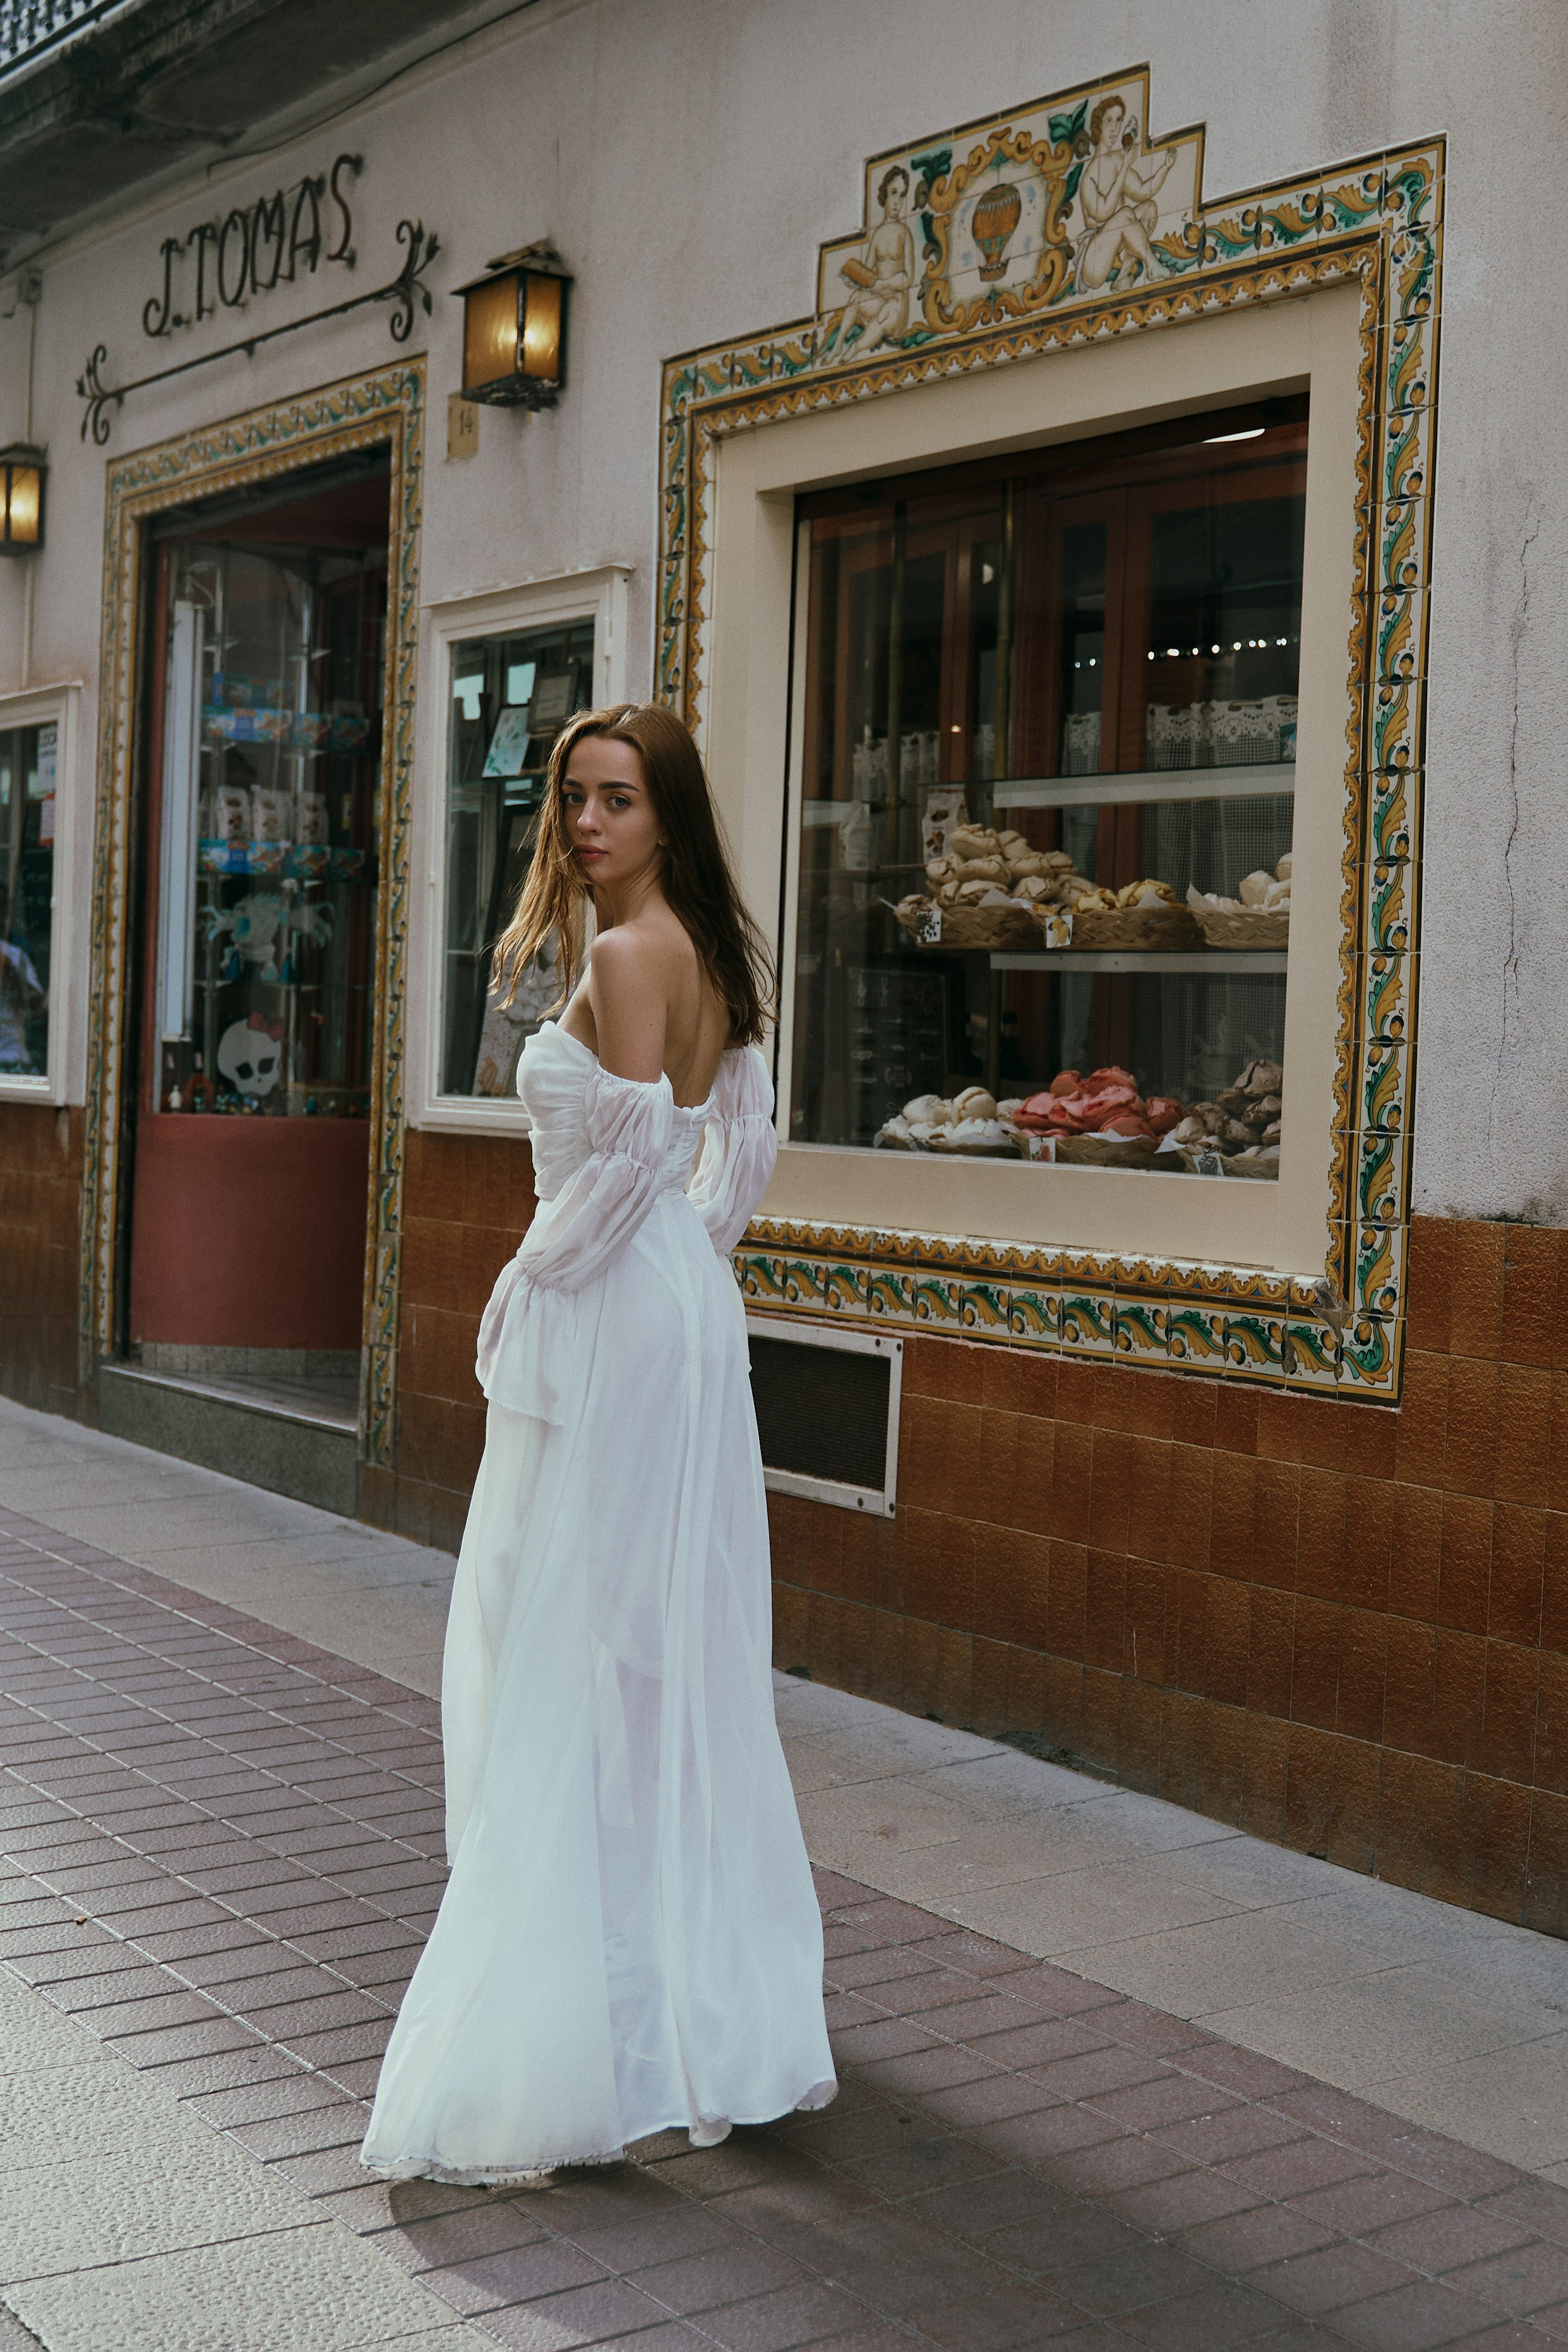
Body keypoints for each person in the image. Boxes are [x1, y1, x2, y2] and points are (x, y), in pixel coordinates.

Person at [361, 704, 835, 2187]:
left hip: (620, 1312)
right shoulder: (688, 944)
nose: (583, 824)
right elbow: (732, 1142)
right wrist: (678, 1273)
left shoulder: (634, 954)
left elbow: (630, 1161)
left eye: (616, 801)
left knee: (569, 1635)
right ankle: (681, 1989)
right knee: (655, 1648)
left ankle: (593, 2013)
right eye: (571, 797)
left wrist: (536, 1284)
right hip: (671, 1310)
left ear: (666, 816)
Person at [1072, 97, 1176, 294]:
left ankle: (1123, 277)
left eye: (1119, 120)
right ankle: (1152, 265)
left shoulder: (1117, 161)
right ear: (1098, 126)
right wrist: (1125, 167)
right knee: (1124, 215)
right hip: (1094, 264)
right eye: (1109, 121)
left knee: (1149, 208)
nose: (1115, 128)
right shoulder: (1089, 176)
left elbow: (1143, 191)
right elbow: (1103, 213)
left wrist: (1165, 167)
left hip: (1115, 247)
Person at [830, 164, 916, 354]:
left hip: (896, 304)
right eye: (894, 193)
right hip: (878, 299)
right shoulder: (877, 234)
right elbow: (868, 274)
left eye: (902, 196)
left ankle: (855, 348)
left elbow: (908, 278)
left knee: (884, 316)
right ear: (885, 194)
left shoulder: (904, 233)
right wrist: (856, 282)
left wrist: (884, 284)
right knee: (855, 299)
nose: (897, 202)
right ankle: (839, 344)